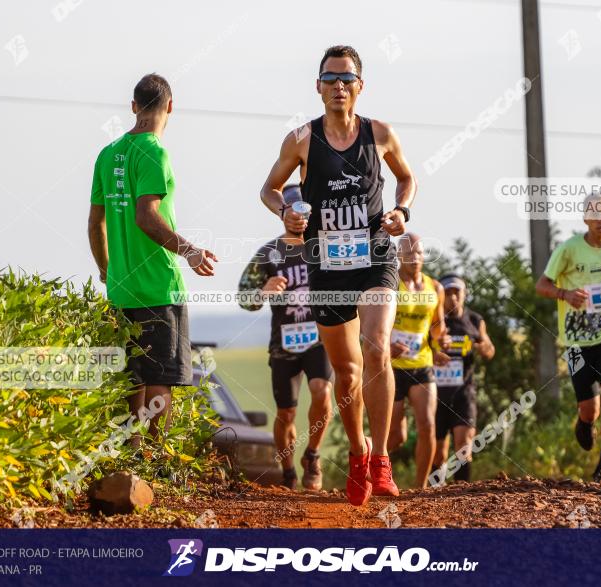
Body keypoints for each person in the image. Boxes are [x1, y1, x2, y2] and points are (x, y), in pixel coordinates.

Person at [259, 45, 417, 506]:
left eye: (346, 79)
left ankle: (381, 458)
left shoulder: (381, 134)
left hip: (375, 257)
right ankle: (357, 451)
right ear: (318, 86)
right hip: (326, 266)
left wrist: (402, 211)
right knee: (346, 376)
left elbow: (407, 179)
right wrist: (286, 211)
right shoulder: (302, 140)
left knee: (375, 347)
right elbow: (268, 190)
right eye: (330, 79)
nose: (338, 86)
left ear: (360, 86)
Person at [88, 73, 217, 446]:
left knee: (132, 375)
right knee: (162, 374)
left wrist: (106, 268)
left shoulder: (107, 153)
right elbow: (147, 216)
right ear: (171, 106)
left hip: (121, 288)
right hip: (159, 286)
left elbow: (96, 224)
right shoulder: (155, 151)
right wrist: (190, 251)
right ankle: (157, 458)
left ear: (133, 107)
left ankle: (131, 454)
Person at [238, 184, 333, 490]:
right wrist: (263, 292)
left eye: (305, 212)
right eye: (293, 212)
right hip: (284, 343)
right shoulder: (268, 253)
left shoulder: (325, 247)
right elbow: (244, 297)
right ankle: (289, 471)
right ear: (283, 215)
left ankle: (313, 456)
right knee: (286, 412)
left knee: (322, 391)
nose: (300, 218)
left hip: (320, 338)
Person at [536, 193, 601, 482]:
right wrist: (565, 294)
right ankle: (584, 421)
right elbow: (542, 285)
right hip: (577, 339)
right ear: (585, 218)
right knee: (590, 409)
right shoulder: (569, 249)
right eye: (595, 213)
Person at [387, 233, 449, 488]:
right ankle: (370, 468)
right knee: (395, 437)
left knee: (427, 425)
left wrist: (441, 342)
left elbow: (437, 326)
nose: (414, 258)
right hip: (390, 368)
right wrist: (386, 346)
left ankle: (420, 488)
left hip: (422, 364)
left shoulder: (435, 288)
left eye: (419, 253)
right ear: (399, 256)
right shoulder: (389, 284)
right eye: (408, 253)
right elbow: (372, 325)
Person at [432, 273, 494, 483]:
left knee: (464, 443)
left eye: (456, 292)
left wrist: (481, 346)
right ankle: (432, 497)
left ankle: (462, 492)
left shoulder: (474, 320)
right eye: (447, 293)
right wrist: (435, 352)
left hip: (464, 392)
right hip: (436, 394)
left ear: (464, 294)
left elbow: (489, 350)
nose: (453, 298)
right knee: (438, 452)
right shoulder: (433, 319)